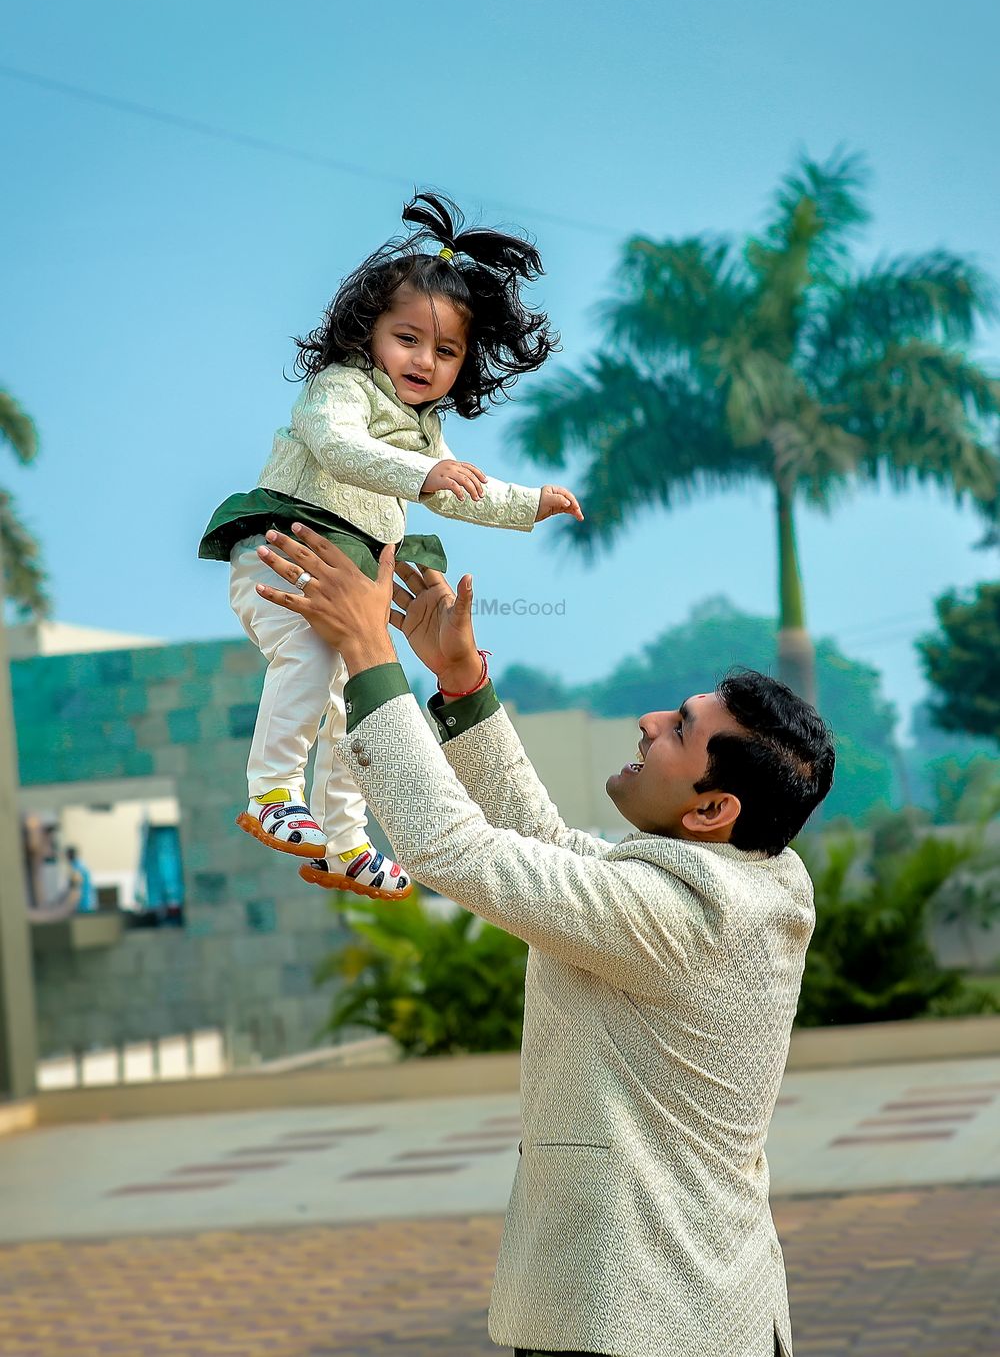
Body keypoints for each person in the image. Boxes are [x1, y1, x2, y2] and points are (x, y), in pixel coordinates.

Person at [251, 523, 835, 1357]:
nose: (647, 720)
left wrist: (368, 653)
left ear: (714, 811)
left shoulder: (684, 917)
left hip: (644, 1320)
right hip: (677, 1310)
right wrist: (460, 684)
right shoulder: (746, 879)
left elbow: (457, 850)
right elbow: (546, 850)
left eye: (678, 730)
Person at [198, 191, 582, 901]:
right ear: (366, 330)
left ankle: (345, 842)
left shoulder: (425, 431)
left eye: (445, 350)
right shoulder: (338, 389)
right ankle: (272, 790)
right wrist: (423, 470)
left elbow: (457, 488)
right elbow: (341, 451)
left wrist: (530, 504)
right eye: (408, 338)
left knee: (366, 705)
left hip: (347, 583)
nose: (425, 360)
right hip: (286, 556)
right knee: (310, 658)